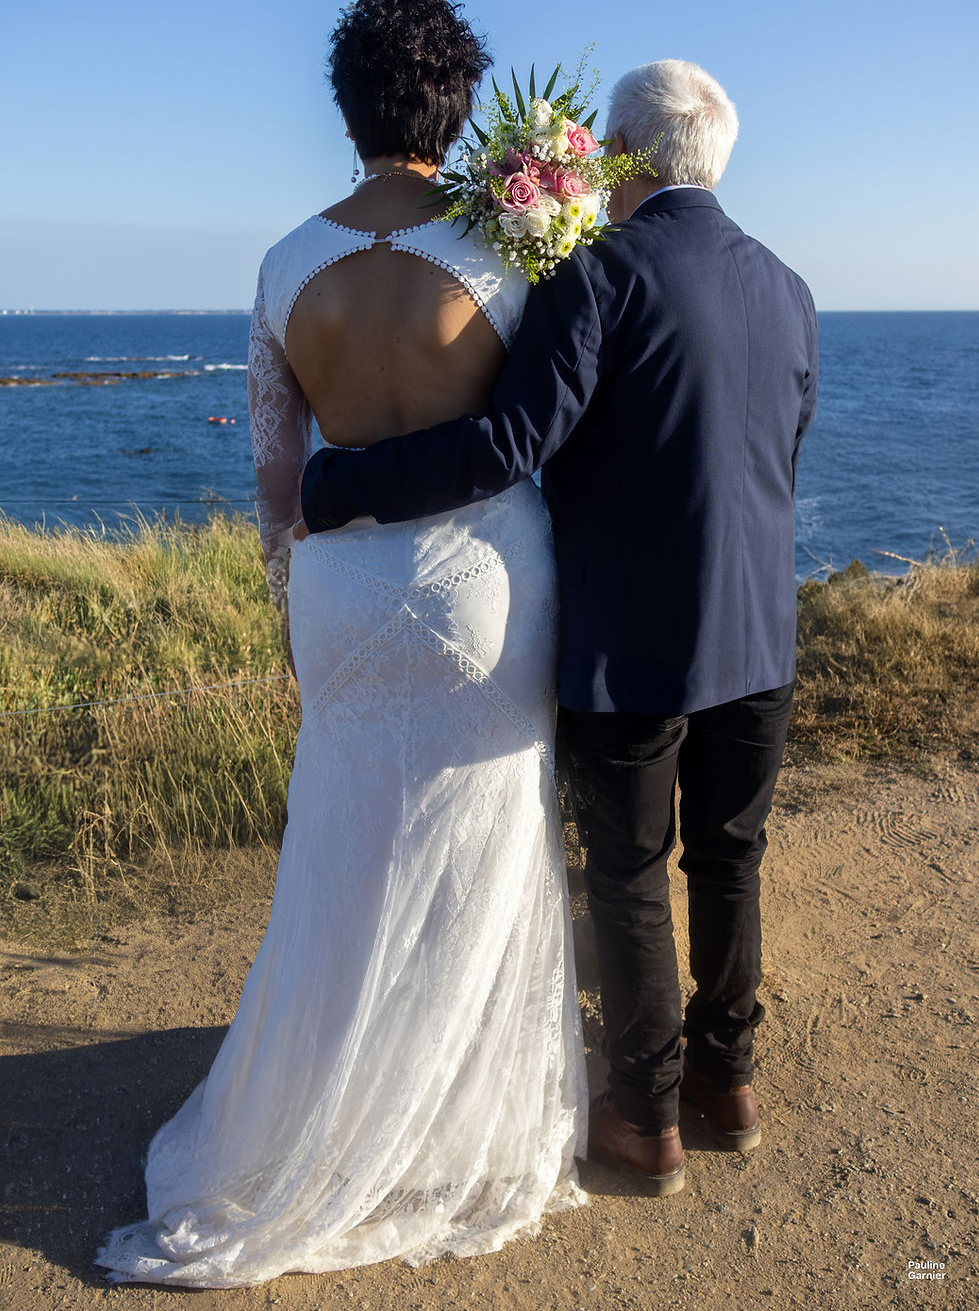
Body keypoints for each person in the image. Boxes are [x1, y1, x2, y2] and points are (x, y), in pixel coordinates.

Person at [96, 0, 587, 1287]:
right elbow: (547, 430)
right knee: (480, 847)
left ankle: (307, 1117)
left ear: (349, 107)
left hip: (343, 592)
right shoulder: (509, 251)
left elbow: (276, 480)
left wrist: (292, 604)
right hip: (486, 577)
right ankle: (451, 1125)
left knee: (344, 849)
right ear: (461, 107)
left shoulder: (279, 264)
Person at [298, 59, 819, 1197]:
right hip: (757, 635)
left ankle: (642, 1119)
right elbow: (779, 456)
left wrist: (334, 485)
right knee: (731, 861)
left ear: (620, 155)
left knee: (628, 874)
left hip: (628, 641)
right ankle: (725, 1085)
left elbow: (504, 445)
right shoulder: (787, 286)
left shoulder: (599, 275)